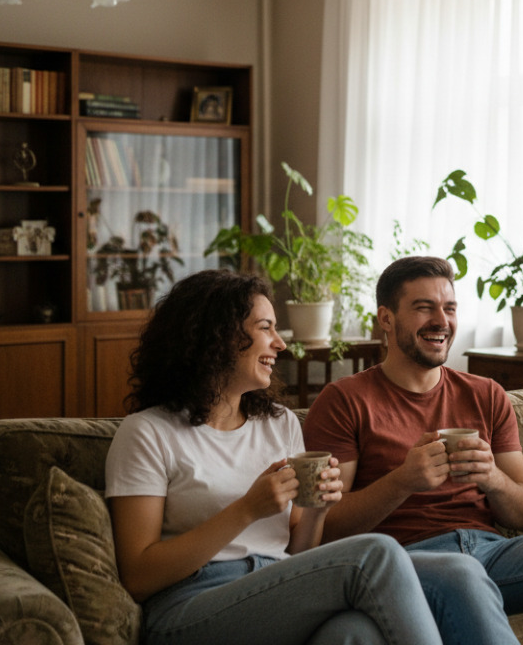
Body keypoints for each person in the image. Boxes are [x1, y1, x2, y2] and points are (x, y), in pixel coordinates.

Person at [303, 255, 523, 645]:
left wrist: (493, 479)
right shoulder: (344, 401)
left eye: (449, 308)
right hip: (405, 562)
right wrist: (402, 481)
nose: (441, 321)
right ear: (386, 319)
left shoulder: (485, 394)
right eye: (423, 308)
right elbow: (326, 531)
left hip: (493, 553)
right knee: (461, 573)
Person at [105, 270, 442, 645]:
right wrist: (247, 508)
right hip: (189, 606)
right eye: (266, 328)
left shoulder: (278, 424)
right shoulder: (146, 433)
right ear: (217, 336)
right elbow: (137, 576)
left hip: (275, 586)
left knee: (354, 634)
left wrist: (317, 509)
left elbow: (296, 552)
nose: (280, 344)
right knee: (376, 553)